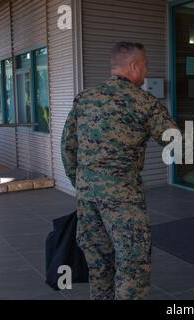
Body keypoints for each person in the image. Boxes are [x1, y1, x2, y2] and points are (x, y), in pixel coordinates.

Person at [61, 42, 178, 300]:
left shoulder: (84, 98)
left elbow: (68, 148)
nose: (146, 71)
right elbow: (175, 143)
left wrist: (82, 183)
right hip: (123, 198)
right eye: (145, 64)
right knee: (132, 265)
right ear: (134, 65)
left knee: (99, 263)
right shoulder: (144, 102)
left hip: (87, 197)